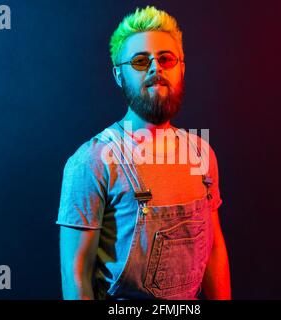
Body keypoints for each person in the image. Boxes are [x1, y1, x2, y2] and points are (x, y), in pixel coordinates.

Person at [56, 6, 231, 300]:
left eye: (166, 58)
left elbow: (214, 251)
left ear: (182, 68)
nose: (155, 68)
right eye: (140, 61)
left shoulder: (201, 153)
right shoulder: (93, 161)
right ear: (118, 75)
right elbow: (75, 274)